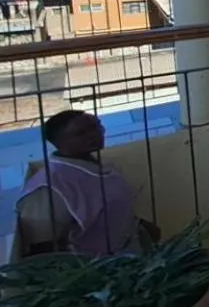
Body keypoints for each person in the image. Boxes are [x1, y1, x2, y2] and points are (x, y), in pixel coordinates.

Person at [14, 110, 143, 257]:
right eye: (81, 133)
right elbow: (46, 250)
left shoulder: (94, 165)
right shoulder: (49, 186)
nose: (95, 134)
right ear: (59, 142)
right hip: (98, 268)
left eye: (96, 127)